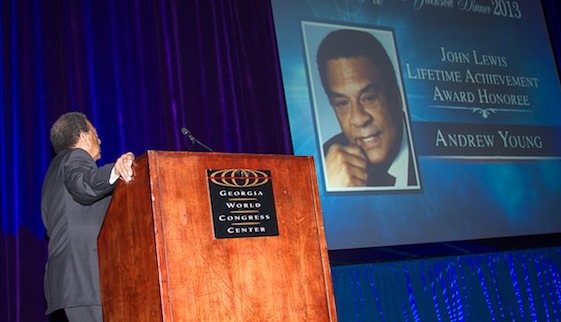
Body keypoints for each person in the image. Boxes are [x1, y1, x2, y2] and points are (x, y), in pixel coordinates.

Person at [41, 112, 135, 322]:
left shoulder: (52, 172)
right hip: (85, 278)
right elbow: (84, 183)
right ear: (83, 137)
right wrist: (115, 171)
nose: (99, 139)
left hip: (69, 283)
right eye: (95, 133)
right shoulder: (75, 158)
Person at [316, 29, 418, 189]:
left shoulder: (430, 149)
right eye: (342, 103)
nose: (358, 119)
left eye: (369, 98)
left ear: (395, 97)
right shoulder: (323, 165)